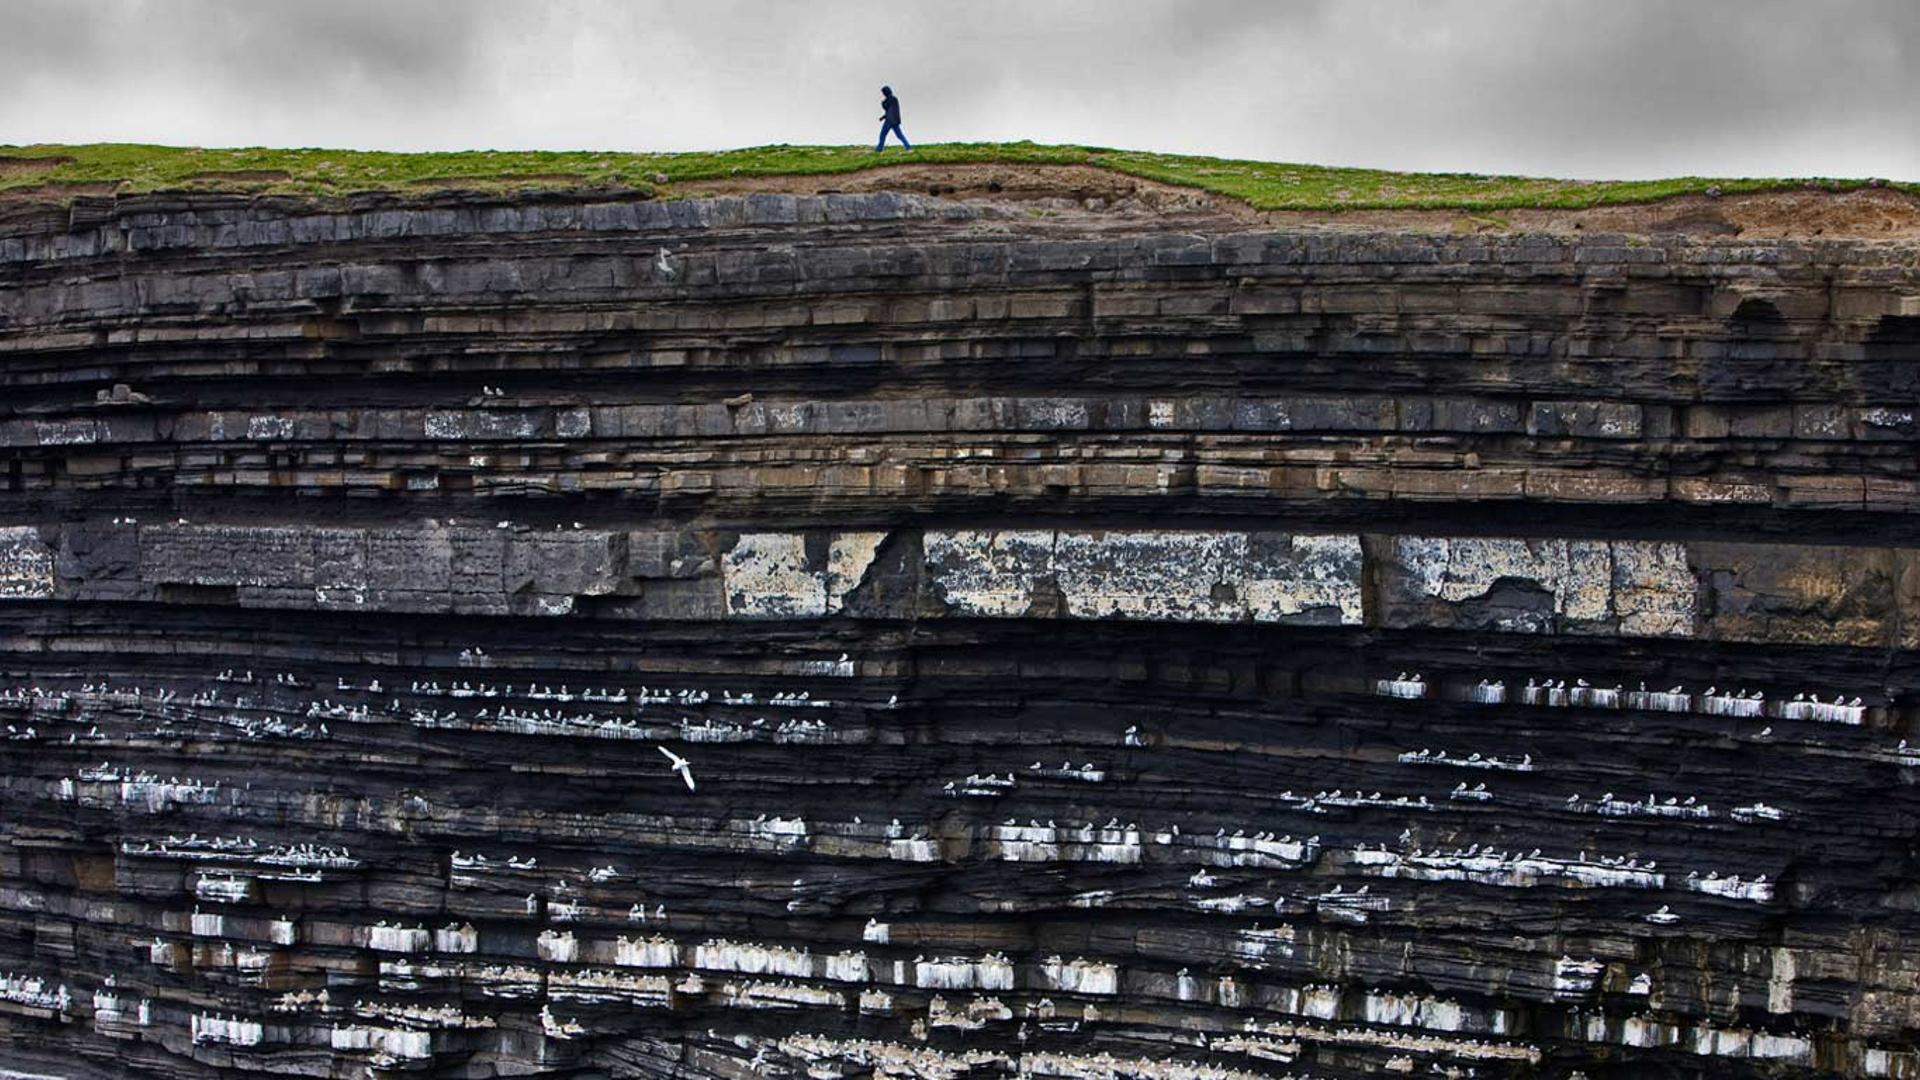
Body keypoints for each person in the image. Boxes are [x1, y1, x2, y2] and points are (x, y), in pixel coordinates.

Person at [876, 86, 910, 151]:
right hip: (895, 120)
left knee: (882, 134)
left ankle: (879, 149)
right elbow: (891, 111)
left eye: (883, 92)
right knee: (900, 135)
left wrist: (883, 105)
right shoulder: (894, 99)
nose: (883, 94)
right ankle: (908, 147)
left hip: (889, 120)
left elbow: (887, 109)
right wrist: (883, 117)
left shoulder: (887, 101)